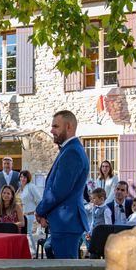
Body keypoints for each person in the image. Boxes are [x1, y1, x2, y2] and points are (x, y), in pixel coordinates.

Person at [35, 110, 90, 259]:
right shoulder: (69, 150)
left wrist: (40, 210)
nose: (51, 130)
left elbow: (59, 190)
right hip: (64, 223)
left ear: (69, 127)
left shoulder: (72, 152)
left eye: (55, 126)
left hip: (67, 223)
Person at [16, 170, 42, 254]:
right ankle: (25, 251)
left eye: (24, 177)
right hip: (21, 215)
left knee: (28, 233)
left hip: (30, 215)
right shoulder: (20, 188)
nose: (22, 178)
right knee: (23, 234)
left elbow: (39, 199)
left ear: (28, 178)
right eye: (21, 177)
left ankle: (33, 252)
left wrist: (37, 211)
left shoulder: (31, 186)